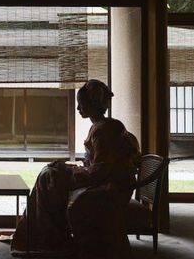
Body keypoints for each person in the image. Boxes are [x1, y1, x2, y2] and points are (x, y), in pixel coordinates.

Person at [11, 79, 140, 258]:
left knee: (49, 176)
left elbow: (100, 171)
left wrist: (68, 170)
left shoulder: (105, 130)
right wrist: (68, 168)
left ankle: (49, 236)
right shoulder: (102, 126)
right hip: (104, 179)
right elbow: (97, 166)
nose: (78, 108)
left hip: (109, 187)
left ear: (92, 104)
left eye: (81, 104)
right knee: (49, 173)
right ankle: (46, 232)